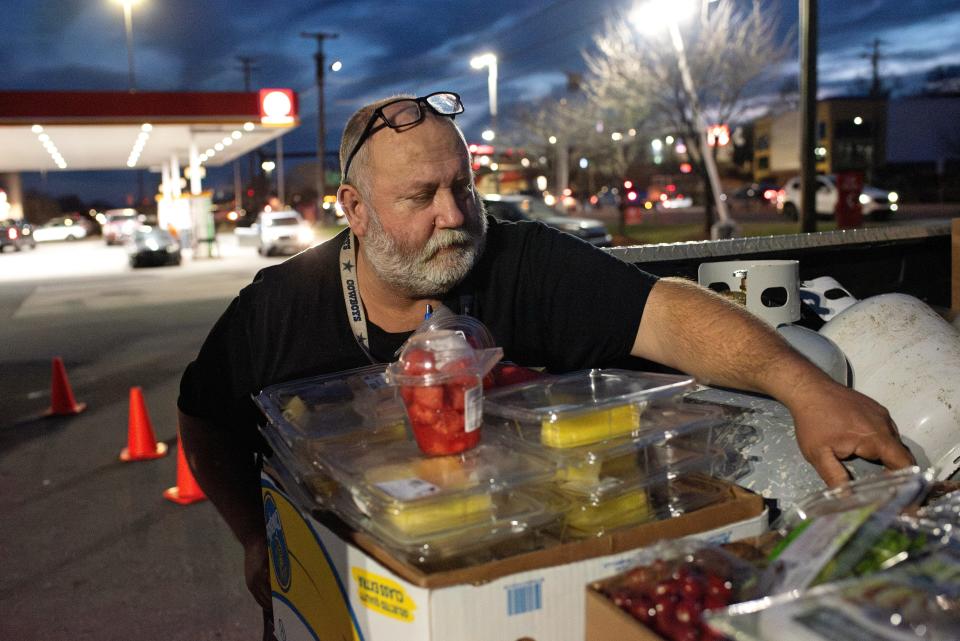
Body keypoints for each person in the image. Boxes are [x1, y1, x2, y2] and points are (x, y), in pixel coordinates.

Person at [177, 91, 914, 636]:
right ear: (354, 209)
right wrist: (251, 535)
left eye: (462, 186)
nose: (456, 215)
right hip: (336, 594)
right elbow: (203, 416)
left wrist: (805, 385)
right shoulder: (278, 309)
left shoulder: (516, 261)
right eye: (421, 196)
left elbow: (668, 312)